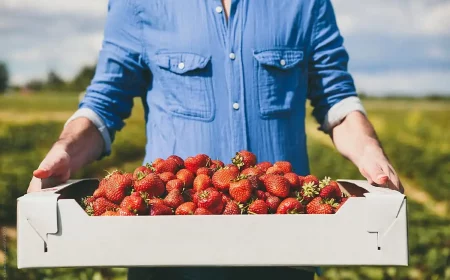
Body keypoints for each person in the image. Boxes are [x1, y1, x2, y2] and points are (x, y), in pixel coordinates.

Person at [28, 0, 404, 279]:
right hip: (166, 248)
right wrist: (65, 149)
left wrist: (370, 151)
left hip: (285, 243)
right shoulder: (139, 3)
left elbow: (335, 95)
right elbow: (105, 101)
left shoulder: (304, 3)